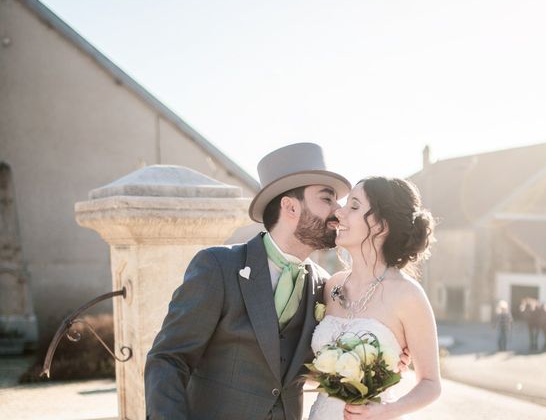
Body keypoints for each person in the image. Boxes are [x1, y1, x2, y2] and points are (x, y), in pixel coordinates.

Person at [144, 143, 408, 420]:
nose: (338, 211)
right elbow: (169, 358)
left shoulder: (327, 287)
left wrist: (379, 361)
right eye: (327, 199)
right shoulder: (218, 267)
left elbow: (317, 367)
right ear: (290, 207)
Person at [308, 177, 441, 420]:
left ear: (381, 225)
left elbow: (431, 383)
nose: (340, 212)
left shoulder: (407, 295)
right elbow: (315, 371)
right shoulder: (332, 286)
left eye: (354, 206)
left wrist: (387, 410)